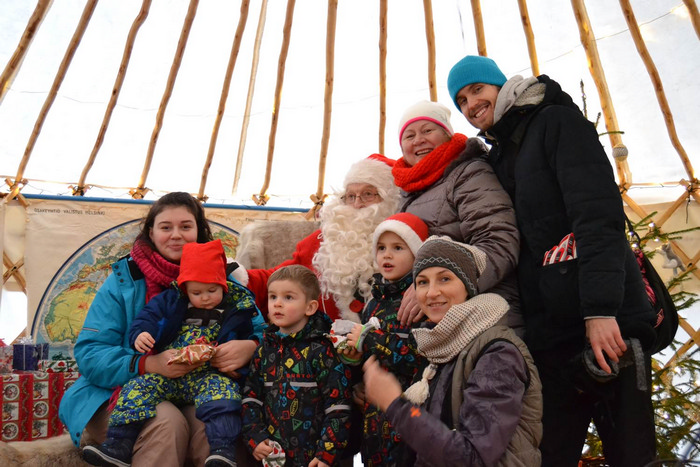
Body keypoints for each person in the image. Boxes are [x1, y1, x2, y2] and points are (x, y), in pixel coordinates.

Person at [447, 54, 657, 465]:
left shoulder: (555, 123)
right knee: (549, 455)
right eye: (461, 101)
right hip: (552, 337)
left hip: (605, 325)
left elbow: (598, 217)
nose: (471, 105)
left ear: (499, 84)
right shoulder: (500, 157)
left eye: (476, 90)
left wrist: (599, 311)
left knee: (631, 456)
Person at [59, 192, 265, 466]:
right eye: (166, 227)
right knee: (166, 423)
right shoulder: (124, 282)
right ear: (151, 233)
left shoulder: (225, 283)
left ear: (199, 232)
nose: (176, 235)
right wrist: (147, 363)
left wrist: (251, 348)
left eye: (186, 227)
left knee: (214, 426)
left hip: (200, 387)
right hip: (121, 391)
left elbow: (268, 335)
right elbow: (90, 353)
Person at [362, 236, 542, 466]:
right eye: (423, 282)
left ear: (467, 286)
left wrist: (396, 406)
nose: (432, 292)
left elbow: (472, 457)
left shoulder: (497, 354)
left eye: (445, 279)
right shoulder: (437, 348)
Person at [392, 100, 522, 334]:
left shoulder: (468, 173)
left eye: (427, 130)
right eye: (409, 136)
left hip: (481, 315)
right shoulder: (407, 192)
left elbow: (499, 242)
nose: (418, 140)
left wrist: (431, 285)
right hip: (433, 315)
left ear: (446, 135)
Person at [241, 154, 400, 322]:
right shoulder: (320, 241)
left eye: (368, 194)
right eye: (351, 196)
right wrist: (237, 276)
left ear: (388, 200)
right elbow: (281, 278)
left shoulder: (405, 241)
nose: (357, 204)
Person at [241, 265, 353, 466]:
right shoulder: (264, 350)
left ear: (309, 307)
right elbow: (251, 399)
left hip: (314, 460)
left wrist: (326, 453)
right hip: (274, 459)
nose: (277, 304)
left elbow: (338, 406)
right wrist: (255, 438)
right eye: (273, 297)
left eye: (288, 297)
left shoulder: (322, 351)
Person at [343, 212, 429, 466]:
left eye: (397, 248)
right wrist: (355, 360)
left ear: (417, 255)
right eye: (381, 248)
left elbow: (418, 355)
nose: (386, 255)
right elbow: (370, 355)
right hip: (374, 417)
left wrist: (369, 339)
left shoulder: (419, 303)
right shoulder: (373, 303)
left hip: (409, 413)